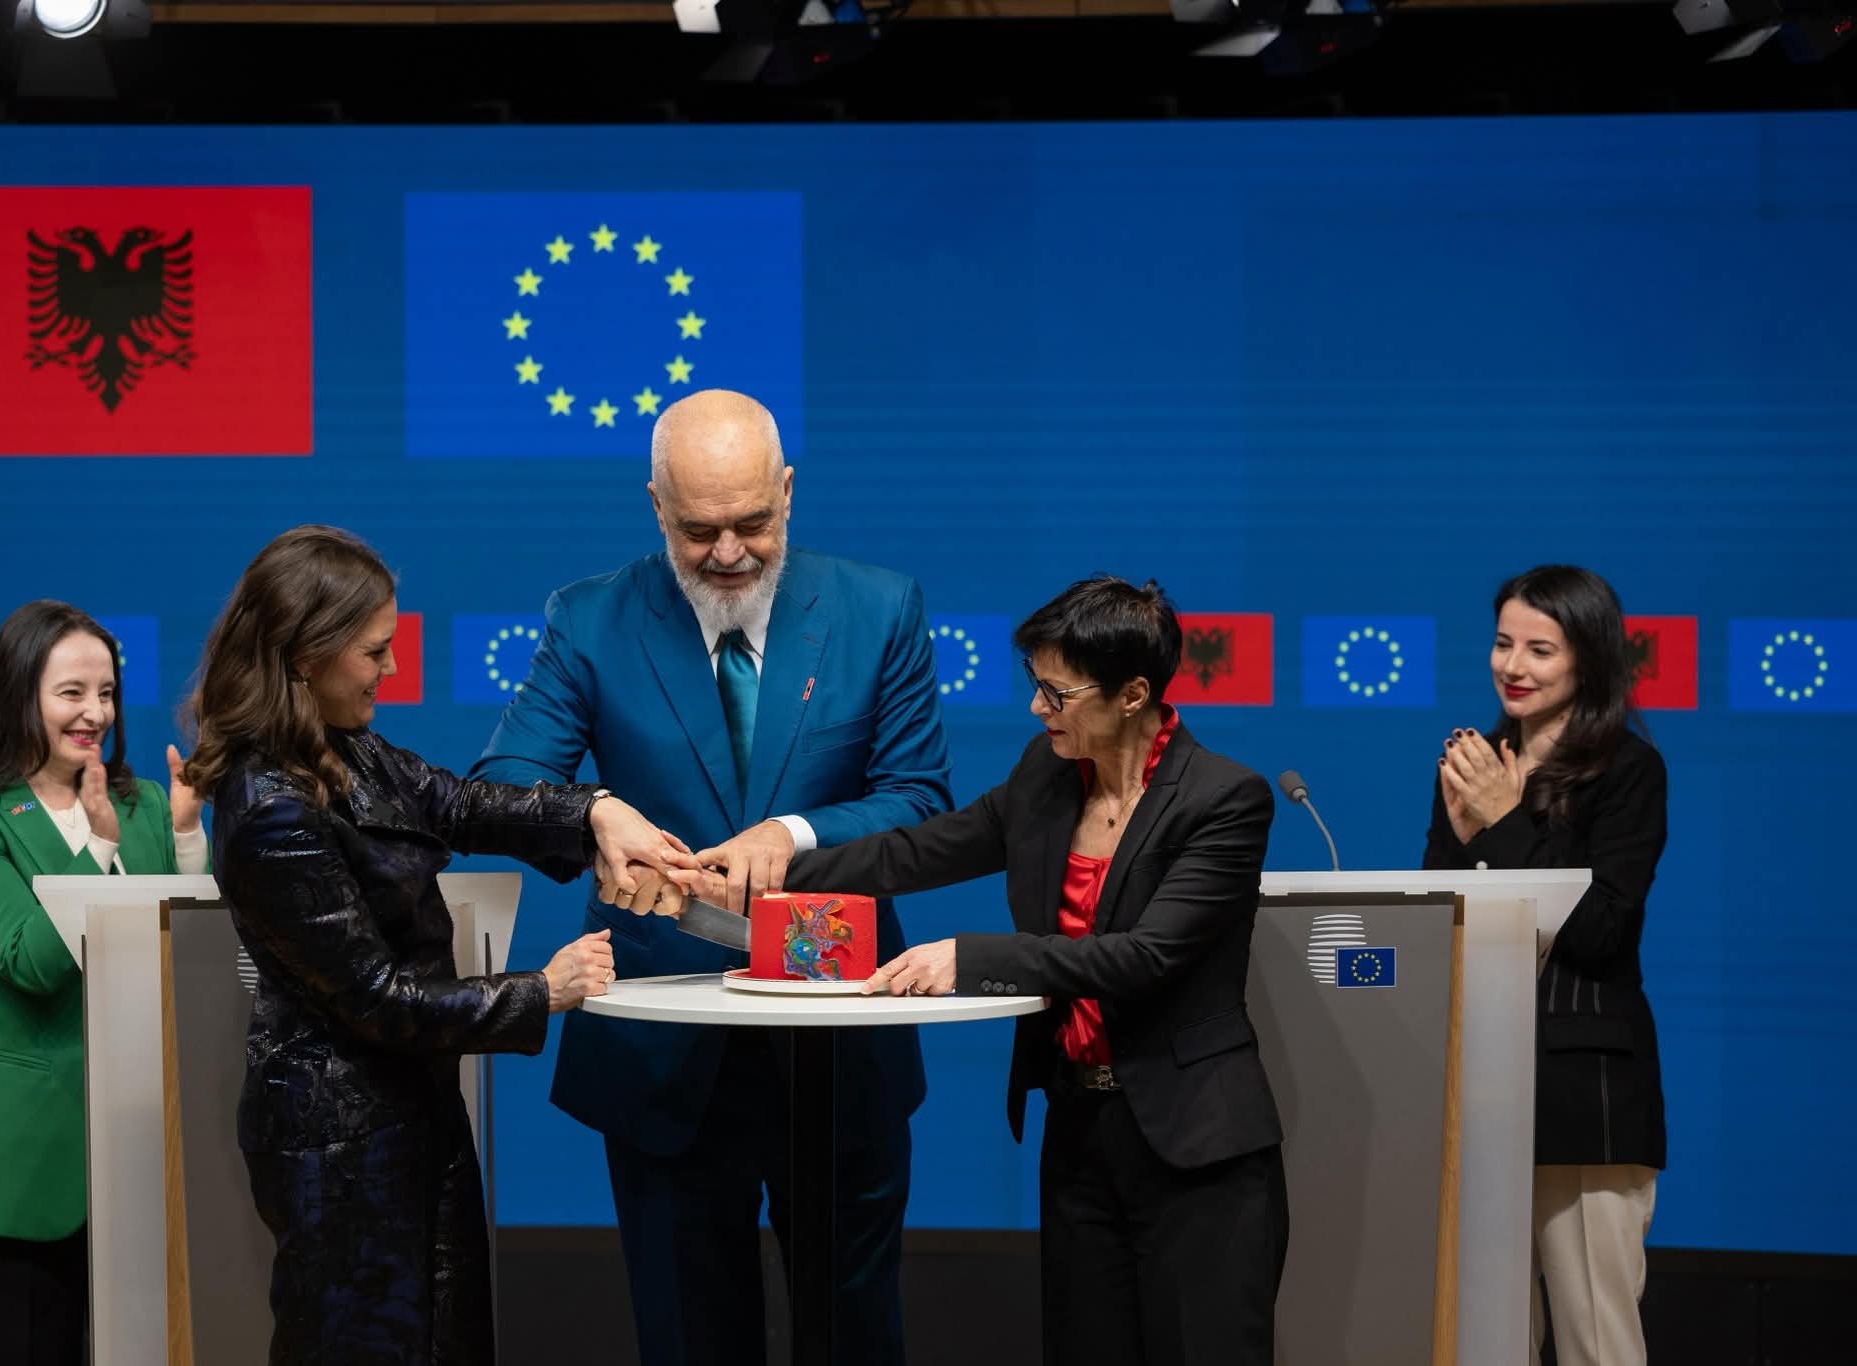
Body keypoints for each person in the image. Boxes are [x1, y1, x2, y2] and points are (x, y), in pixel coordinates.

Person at [695, 574, 1290, 1366]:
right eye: (1034, 685)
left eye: (1058, 693)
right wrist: (753, 875)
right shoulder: (1047, 774)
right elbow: (918, 852)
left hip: (1195, 1146)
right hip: (1080, 1131)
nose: (1038, 709)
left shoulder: (1224, 798)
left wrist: (970, 960)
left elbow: (1146, 956)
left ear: (1133, 695)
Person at [473, 389, 952, 1366]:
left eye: (752, 522)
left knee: (854, 1334)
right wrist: (593, 812)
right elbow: (503, 783)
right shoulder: (589, 618)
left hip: (837, 1032)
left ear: (788, 491)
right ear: (656, 506)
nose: (729, 551)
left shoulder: (878, 608)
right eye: (698, 530)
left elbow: (917, 798)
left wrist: (795, 833)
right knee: (688, 1340)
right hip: (662, 1052)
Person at [181, 525, 693, 1366]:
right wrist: (544, 989)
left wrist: (596, 812)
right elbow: (376, 1000)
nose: (390, 668)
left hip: (408, 1119)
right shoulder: (273, 809)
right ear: (306, 654)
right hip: (340, 1151)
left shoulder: (342, 749)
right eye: (373, 650)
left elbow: (460, 804)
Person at [0, 600, 208, 1366]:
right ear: (21, 696)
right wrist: (100, 854)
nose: (95, 713)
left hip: (142, 1150)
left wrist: (186, 835)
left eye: (106, 692)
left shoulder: (144, 805)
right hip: (19, 1161)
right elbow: (30, 960)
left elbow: (189, 957)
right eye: (71, 693)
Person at [1422, 564, 1667, 1366]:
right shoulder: (1474, 760)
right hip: (1476, 1087)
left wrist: (1500, 824)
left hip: (1585, 1095)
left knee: (1597, 1339)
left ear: (1588, 660)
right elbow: (1440, 922)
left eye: (1539, 650)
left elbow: (1600, 930)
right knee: (1482, 1339)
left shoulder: (1627, 770)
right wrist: (1468, 836)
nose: (1513, 666)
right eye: (1503, 644)